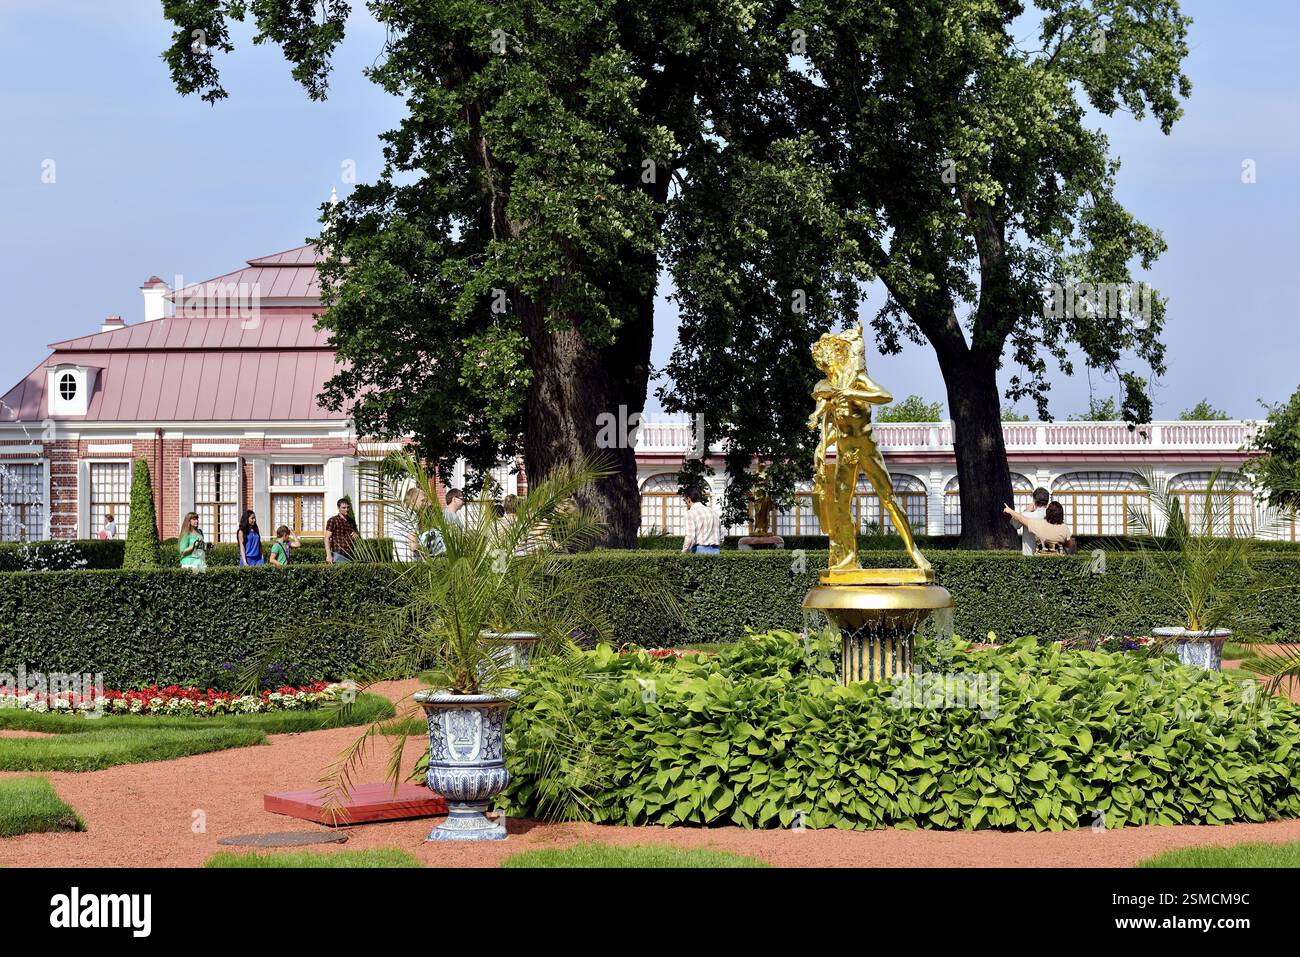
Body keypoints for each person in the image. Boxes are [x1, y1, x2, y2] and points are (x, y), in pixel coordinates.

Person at [1002, 501, 1072, 553]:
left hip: (1040, 562)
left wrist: (1010, 511)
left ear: (1047, 512)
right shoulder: (1064, 527)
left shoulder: (1038, 524)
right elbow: (1069, 545)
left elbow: (1021, 518)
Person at [681, 486, 722, 555]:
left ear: (688, 498)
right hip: (716, 550)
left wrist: (684, 552)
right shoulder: (713, 512)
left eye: (685, 499)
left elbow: (690, 537)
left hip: (699, 550)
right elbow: (721, 536)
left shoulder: (690, 513)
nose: (685, 502)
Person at [1011, 487, 1052, 555]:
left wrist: (1026, 510)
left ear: (1034, 500)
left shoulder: (1026, 515)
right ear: (1048, 501)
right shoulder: (1054, 516)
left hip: (1029, 558)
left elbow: (1014, 523)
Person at [325, 498, 359, 564]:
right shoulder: (333, 520)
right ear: (338, 508)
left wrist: (356, 535)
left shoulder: (351, 521)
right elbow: (327, 538)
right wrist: (328, 555)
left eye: (348, 507)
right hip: (338, 554)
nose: (347, 509)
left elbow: (356, 535)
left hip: (351, 554)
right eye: (344, 508)